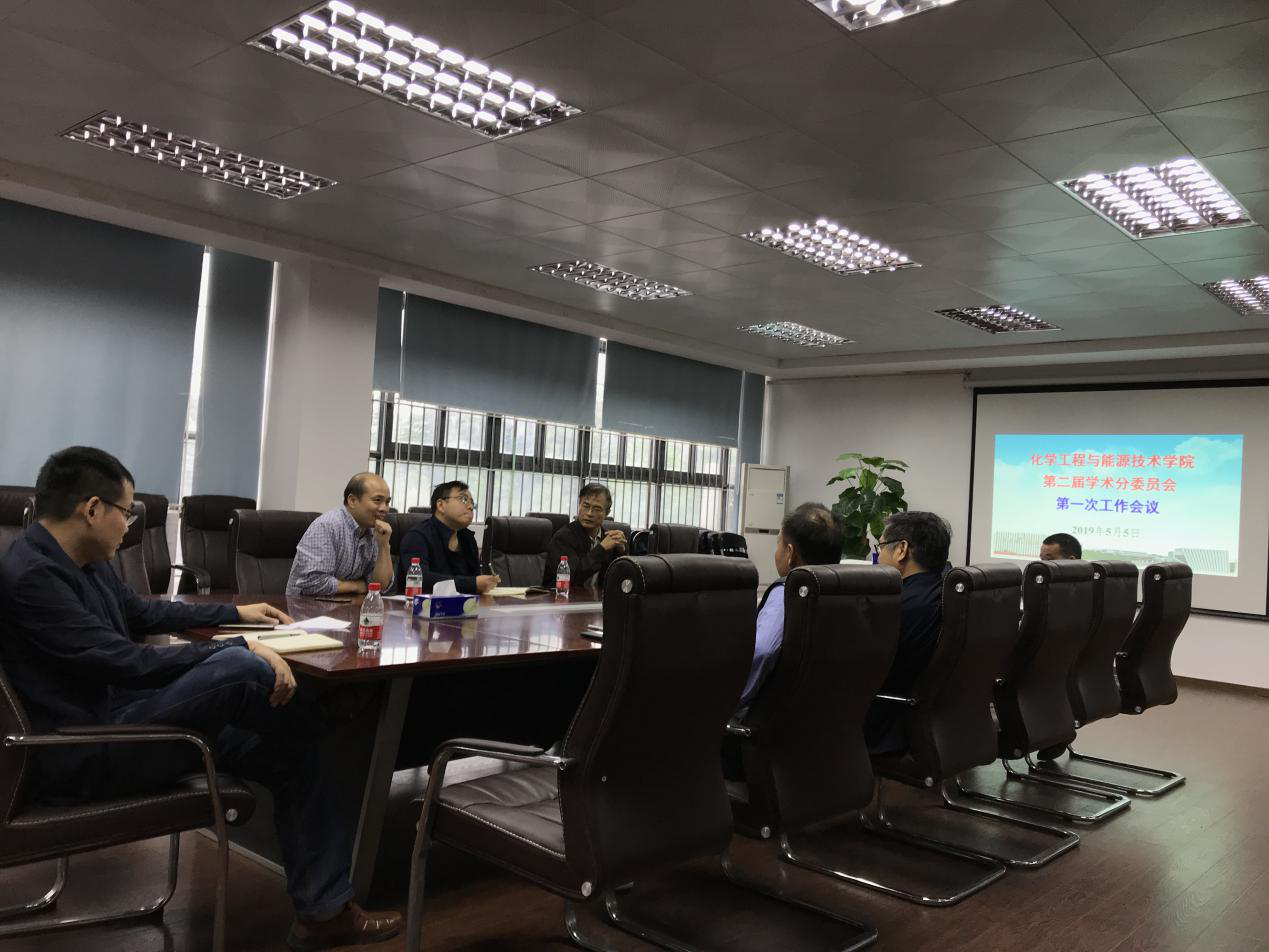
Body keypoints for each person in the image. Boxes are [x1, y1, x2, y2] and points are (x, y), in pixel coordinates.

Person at [0, 446, 400, 949]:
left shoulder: (80, 560)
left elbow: (143, 612)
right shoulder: (32, 576)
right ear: (93, 509)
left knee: (300, 747)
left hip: (117, 719)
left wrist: (235, 614)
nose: (130, 526)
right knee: (240, 669)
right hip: (79, 749)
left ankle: (325, 914)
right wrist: (238, 646)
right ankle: (318, 709)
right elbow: (125, 661)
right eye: (127, 513)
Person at [737, 502, 846, 713]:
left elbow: (762, 651)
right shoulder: (846, 593)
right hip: (824, 715)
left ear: (790, 553)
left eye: (778, 543)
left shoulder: (790, 594)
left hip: (767, 719)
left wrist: (726, 701)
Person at [865, 510, 953, 754]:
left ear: (902, 549)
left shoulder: (899, 608)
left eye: (881, 546)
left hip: (882, 727)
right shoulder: (945, 595)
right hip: (937, 726)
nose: (878, 556)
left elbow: (863, 673)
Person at [286, 473, 395, 597]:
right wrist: (358, 586)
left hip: (348, 606)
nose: (384, 508)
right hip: (306, 606)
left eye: (387, 502)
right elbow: (313, 583)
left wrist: (384, 545)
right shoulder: (327, 526)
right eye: (377, 500)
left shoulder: (375, 531)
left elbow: (380, 586)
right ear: (352, 501)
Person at [397, 480, 499, 594]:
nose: (470, 507)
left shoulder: (468, 539)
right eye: (463, 499)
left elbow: (474, 578)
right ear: (441, 505)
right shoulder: (417, 536)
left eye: (472, 503)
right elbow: (420, 580)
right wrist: (472, 584)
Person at [543, 483, 627, 589]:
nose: (589, 513)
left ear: (607, 513)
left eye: (597, 509)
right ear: (579, 505)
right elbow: (572, 578)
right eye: (586, 506)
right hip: (562, 597)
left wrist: (621, 552)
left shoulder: (608, 539)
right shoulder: (563, 537)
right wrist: (601, 548)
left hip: (597, 598)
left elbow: (622, 580)